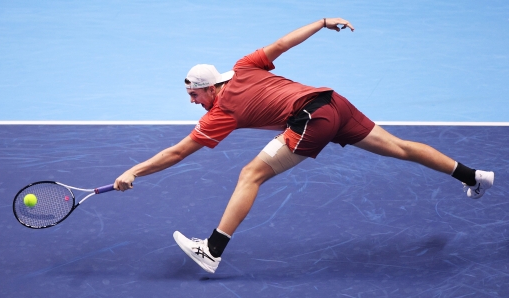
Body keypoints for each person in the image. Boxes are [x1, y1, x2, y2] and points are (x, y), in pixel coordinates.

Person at [114, 18, 494, 274]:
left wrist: (134, 170)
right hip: (333, 102)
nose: (192, 101)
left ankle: (211, 251)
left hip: (312, 118)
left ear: (211, 88)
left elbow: (178, 152)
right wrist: (323, 21)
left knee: (251, 175)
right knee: (401, 147)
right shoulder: (245, 65)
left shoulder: (221, 112)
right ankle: (474, 176)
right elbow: (283, 43)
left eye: (194, 95)